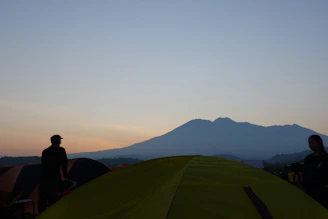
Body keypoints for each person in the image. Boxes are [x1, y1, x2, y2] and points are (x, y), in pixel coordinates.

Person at [38, 135, 68, 214]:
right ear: (58, 142)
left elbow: (43, 166)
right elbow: (64, 164)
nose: (60, 142)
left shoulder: (45, 151)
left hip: (43, 179)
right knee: (53, 200)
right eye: (59, 140)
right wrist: (66, 177)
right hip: (54, 179)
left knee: (42, 201)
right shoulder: (61, 150)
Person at [302, 135, 328, 209]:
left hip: (323, 192)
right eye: (309, 143)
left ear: (319, 143)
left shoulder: (325, 158)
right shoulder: (308, 158)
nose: (310, 145)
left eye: (313, 142)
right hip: (309, 191)